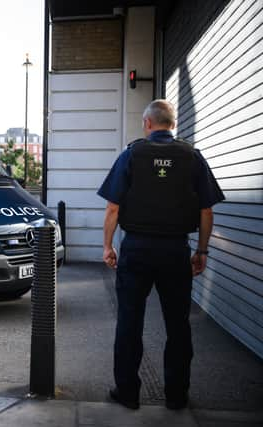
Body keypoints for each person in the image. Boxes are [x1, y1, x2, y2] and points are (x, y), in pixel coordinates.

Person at [97, 99, 225, 410]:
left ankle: (127, 393)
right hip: (175, 251)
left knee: (129, 322)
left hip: (137, 249)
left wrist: (108, 246)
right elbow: (206, 210)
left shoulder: (131, 154)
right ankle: (177, 396)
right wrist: (202, 251)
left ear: (147, 124)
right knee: (178, 325)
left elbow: (113, 207)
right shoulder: (192, 157)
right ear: (173, 124)